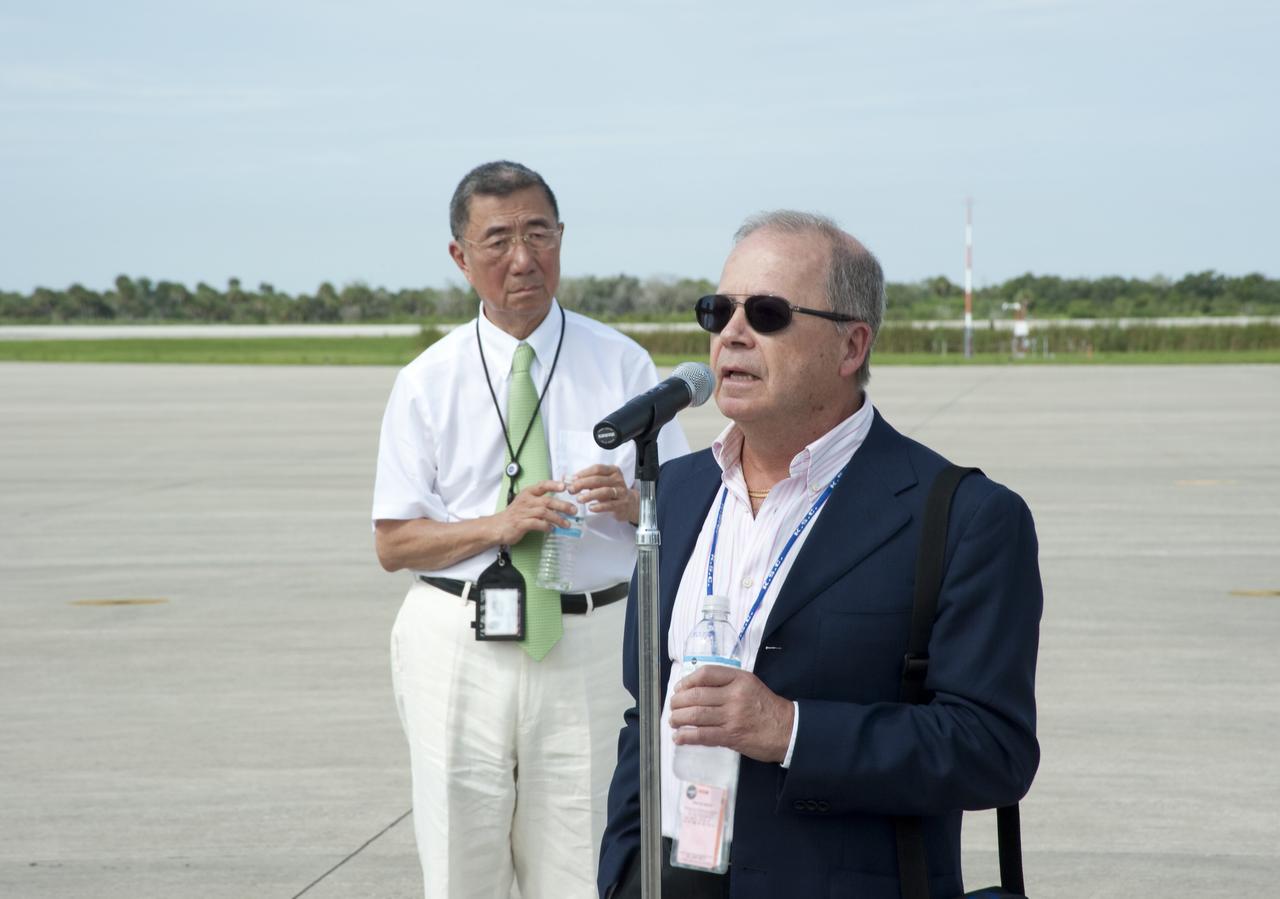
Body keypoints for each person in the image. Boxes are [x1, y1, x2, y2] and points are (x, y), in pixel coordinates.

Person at [598, 211, 1042, 898]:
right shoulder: (677, 492)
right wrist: (623, 871)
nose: (732, 334)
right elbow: (645, 714)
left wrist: (790, 728)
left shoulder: (963, 515)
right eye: (719, 310)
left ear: (851, 345)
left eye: (768, 313)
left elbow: (992, 750)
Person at [372, 160, 690, 899]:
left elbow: (690, 517)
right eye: (499, 240)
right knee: (460, 864)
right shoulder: (428, 378)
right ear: (461, 257)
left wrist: (633, 502)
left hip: (589, 643)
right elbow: (394, 542)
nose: (524, 258)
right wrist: (500, 524)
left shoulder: (623, 364)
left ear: (562, 239)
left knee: (584, 863)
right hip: (457, 643)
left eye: (539, 234)